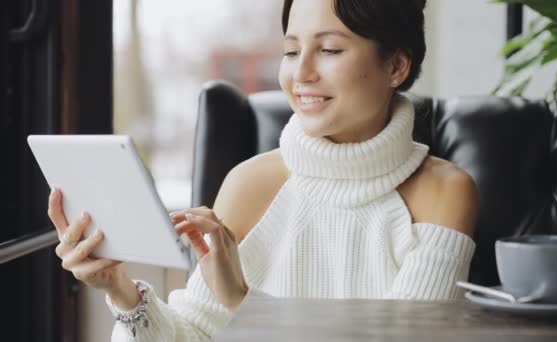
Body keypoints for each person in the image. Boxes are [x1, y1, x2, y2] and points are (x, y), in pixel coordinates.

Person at [47, 0, 479, 340]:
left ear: (396, 66)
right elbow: (193, 335)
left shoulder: (444, 192)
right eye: (291, 51)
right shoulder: (251, 182)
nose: (300, 73)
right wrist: (119, 289)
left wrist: (244, 302)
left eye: (329, 49)